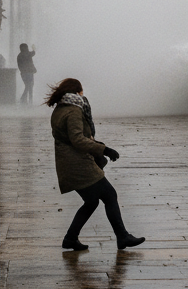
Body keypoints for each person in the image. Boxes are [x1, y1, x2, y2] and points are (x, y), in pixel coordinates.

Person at [48, 78, 145, 252]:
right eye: (81, 91)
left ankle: (70, 238)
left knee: (92, 201)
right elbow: (78, 139)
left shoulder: (60, 109)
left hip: (67, 163)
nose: (83, 94)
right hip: (79, 165)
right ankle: (122, 236)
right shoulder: (73, 111)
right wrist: (104, 149)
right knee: (109, 195)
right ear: (77, 92)